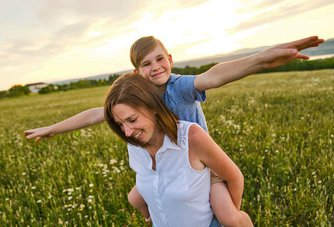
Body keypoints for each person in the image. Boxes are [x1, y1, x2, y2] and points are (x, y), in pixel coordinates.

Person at [24, 35, 324, 225]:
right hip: (169, 165)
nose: (155, 67)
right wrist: (53, 128)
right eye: (146, 64)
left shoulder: (178, 87)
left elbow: (214, 76)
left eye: (159, 59)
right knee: (136, 198)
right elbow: (97, 113)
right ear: (136, 73)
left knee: (229, 218)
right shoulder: (141, 96)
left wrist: (261, 59)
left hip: (202, 167)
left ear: (170, 59)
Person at [104, 73, 252, 227]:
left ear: (153, 107)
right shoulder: (133, 145)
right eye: (120, 125)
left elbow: (235, 178)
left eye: (132, 120)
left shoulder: (191, 137)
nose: (127, 132)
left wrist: (230, 218)